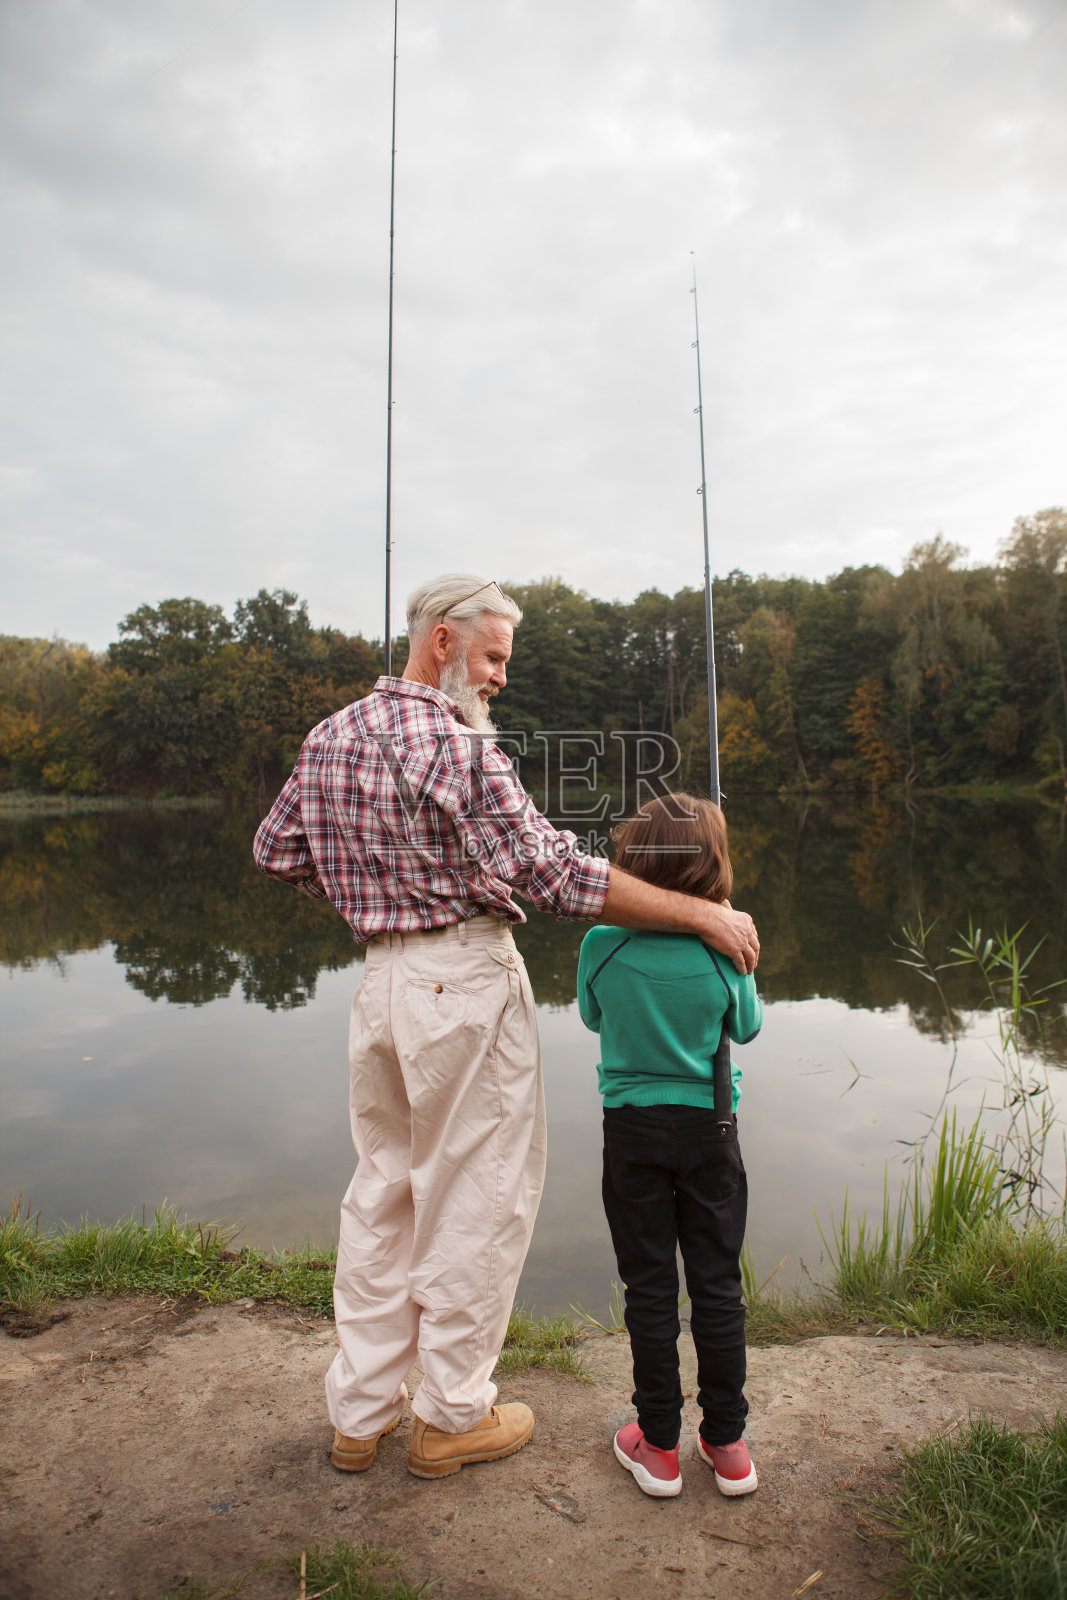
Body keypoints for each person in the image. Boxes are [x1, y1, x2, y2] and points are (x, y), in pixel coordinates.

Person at [253, 574, 759, 1481]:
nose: (498, 678)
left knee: (384, 1192)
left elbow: (276, 850)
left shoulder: (330, 733)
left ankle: (360, 1415)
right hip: (462, 981)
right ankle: (450, 1417)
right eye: (492, 657)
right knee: (476, 1196)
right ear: (442, 643)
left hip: (381, 984)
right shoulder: (456, 748)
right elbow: (558, 874)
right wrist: (700, 917)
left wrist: (375, 893)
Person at [577, 793, 763, 1500]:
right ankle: (727, 1443)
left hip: (630, 1133)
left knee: (649, 1286)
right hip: (711, 1131)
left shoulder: (602, 943)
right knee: (717, 1286)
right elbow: (744, 1029)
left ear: (633, 861)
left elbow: (593, 1015)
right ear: (713, 865)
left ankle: (656, 1446)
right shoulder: (727, 949)